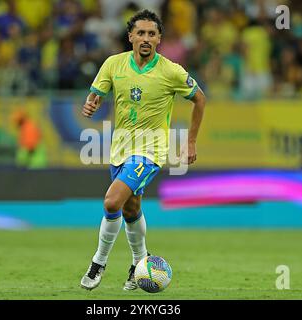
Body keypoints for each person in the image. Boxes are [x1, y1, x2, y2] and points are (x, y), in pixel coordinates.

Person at [79, 9, 206, 291]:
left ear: (159, 39)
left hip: (150, 151)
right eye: (140, 33)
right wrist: (91, 104)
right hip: (120, 149)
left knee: (112, 201)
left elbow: (200, 100)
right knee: (130, 208)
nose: (146, 38)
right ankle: (140, 264)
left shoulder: (171, 71)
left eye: (151, 33)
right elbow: (96, 94)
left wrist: (191, 141)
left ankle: (98, 262)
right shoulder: (113, 64)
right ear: (130, 37)